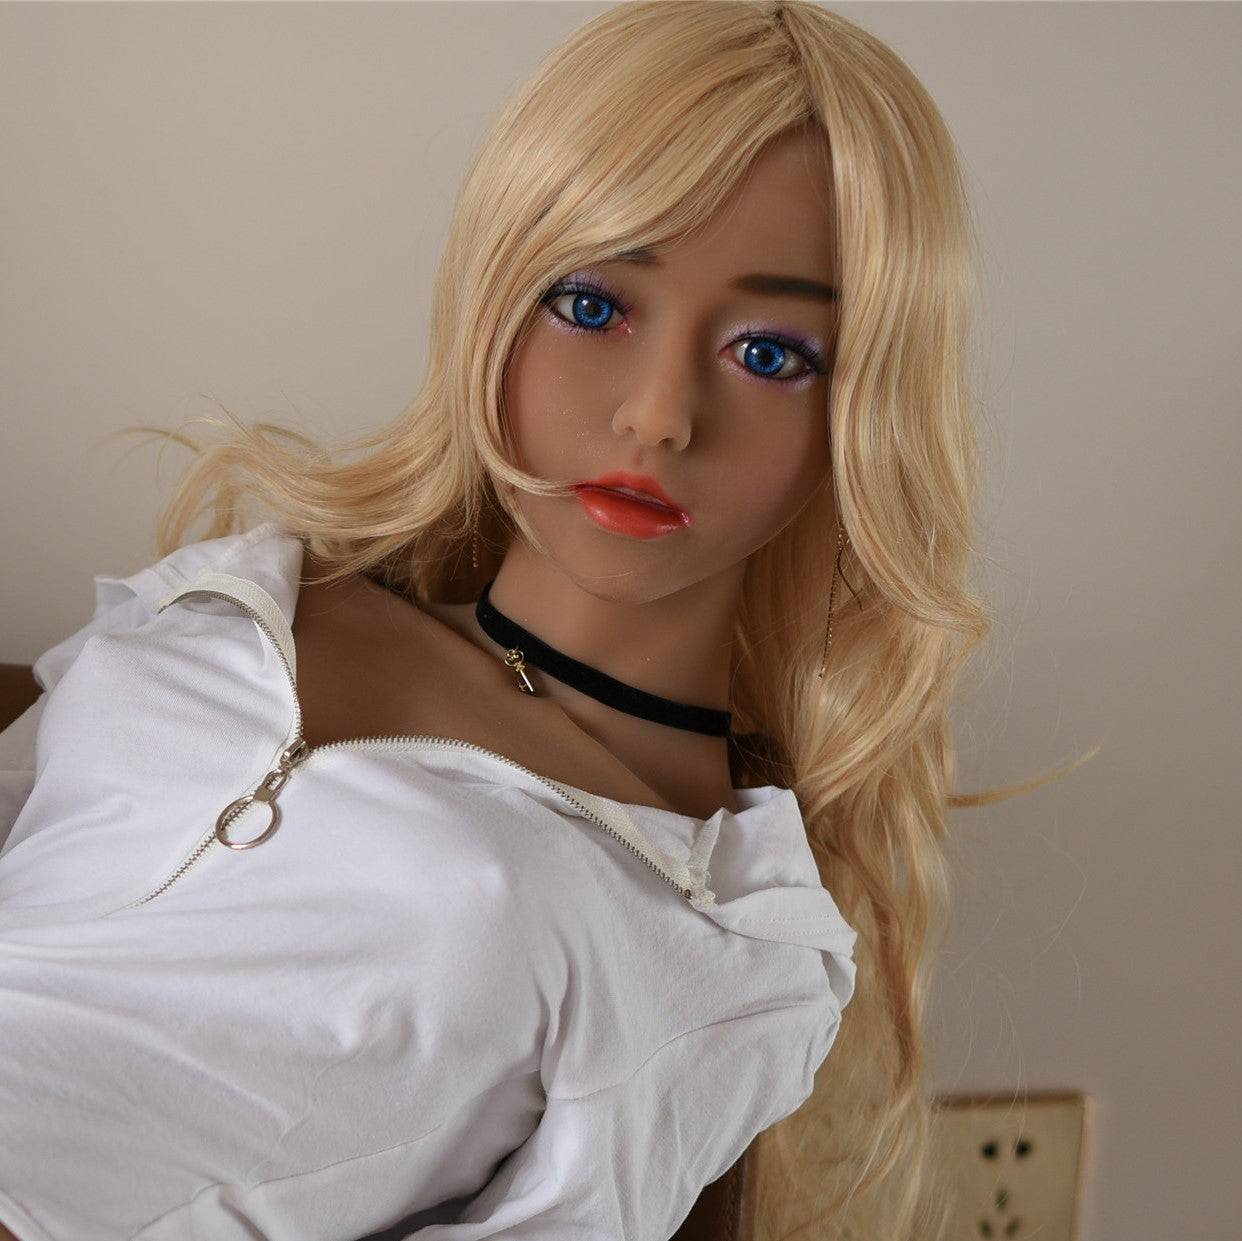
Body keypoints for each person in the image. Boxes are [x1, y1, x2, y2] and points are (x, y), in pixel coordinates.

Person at [0, 2, 985, 1238]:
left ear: (864, 411)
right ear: (494, 292)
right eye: (592, 304)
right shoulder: (247, 590)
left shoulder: (717, 945)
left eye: (771, 354)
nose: (657, 415)